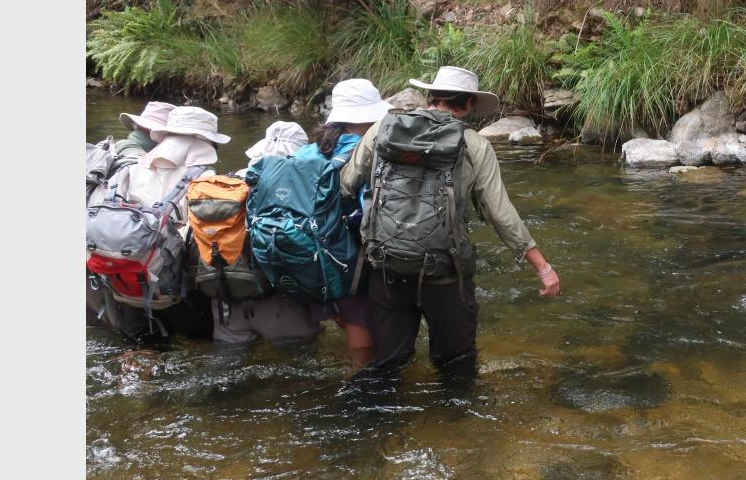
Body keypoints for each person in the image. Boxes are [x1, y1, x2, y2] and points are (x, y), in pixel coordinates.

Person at [339, 66, 561, 374]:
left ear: (429, 96)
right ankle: (454, 419)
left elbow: (344, 185)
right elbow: (500, 213)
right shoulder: (475, 145)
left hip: (386, 266)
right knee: (455, 368)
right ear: (469, 103)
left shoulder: (382, 129)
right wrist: (542, 267)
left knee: (387, 366)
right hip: (444, 273)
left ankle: (377, 418)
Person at [103, 106, 228, 339]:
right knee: (199, 349)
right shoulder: (206, 179)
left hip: (132, 283)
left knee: (140, 356)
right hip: (179, 292)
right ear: (206, 142)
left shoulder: (131, 170)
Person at [296, 79, 394, 367]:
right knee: (359, 330)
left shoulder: (309, 150)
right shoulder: (370, 149)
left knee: (341, 312)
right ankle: (358, 383)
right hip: (350, 256)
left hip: (309, 253)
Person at [209, 120, 319, 349]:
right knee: (300, 372)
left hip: (227, 300)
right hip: (279, 304)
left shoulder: (230, 182)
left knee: (227, 372)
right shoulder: (301, 187)